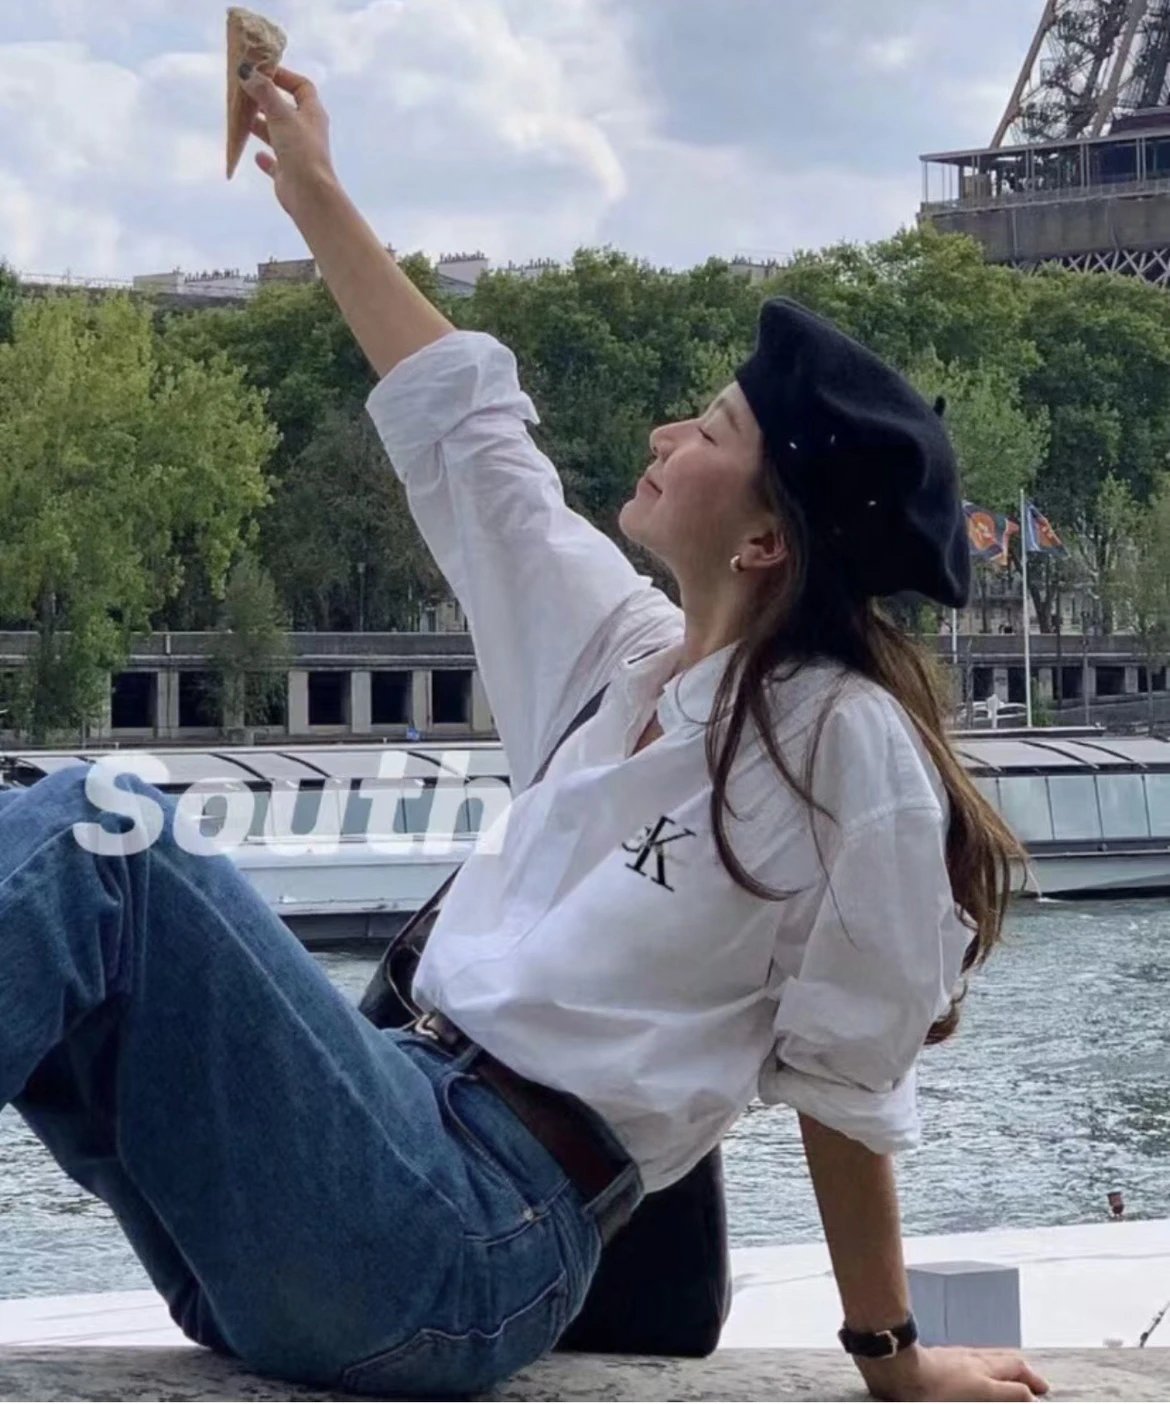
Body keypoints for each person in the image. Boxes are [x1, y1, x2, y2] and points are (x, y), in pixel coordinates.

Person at [0, 65, 1050, 1404]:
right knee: (59, 831)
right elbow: (471, 440)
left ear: (765, 537)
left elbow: (852, 1083)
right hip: (351, 1189)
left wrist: (892, 1361)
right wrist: (315, 190)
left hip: (459, 1240)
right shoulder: (624, 661)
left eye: (711, 427)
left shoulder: (843, 746)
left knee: (103, 835)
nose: (666, 431)